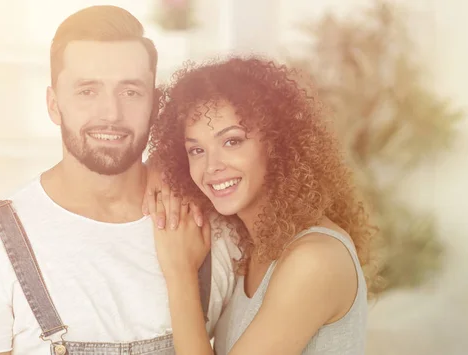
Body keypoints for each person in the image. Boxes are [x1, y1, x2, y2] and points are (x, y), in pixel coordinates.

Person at [0, 6, 238, 355]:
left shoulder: (208, 226)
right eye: (88, 91)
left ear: (154, 103)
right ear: (53, 104)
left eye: (131, 91)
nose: (111, 114)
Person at [146, 57, 377, 355]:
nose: (211, 166)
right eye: (196, 150)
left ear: (276, 143)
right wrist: (158, 169)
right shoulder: (254, 245)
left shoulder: (314, 259)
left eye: (232, 141)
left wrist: (180, 273)